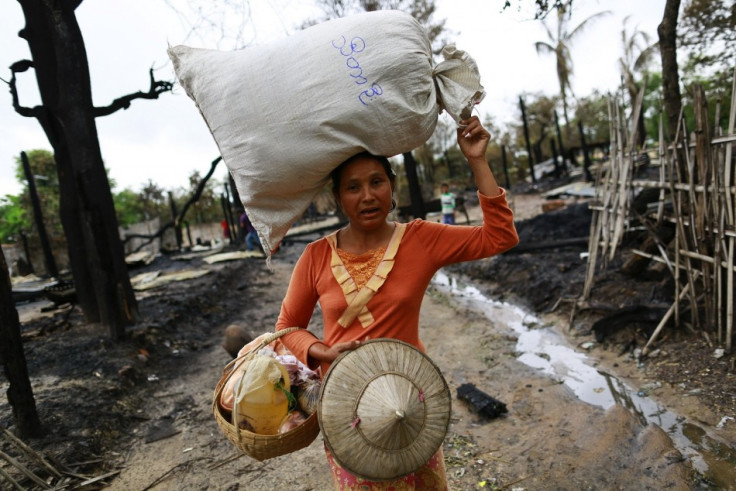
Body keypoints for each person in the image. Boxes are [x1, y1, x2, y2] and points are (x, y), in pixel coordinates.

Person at [275, 116, 518, 489]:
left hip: (409, 402)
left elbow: (499, 236)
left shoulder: (420, 239)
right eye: (353, 187)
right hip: (346, 406)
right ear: (339, 199)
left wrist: (477, 160)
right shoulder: (315, 256)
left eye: (376, 182)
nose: (368, 195)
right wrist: (320, 351)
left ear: (393, 187)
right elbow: (287, 327)